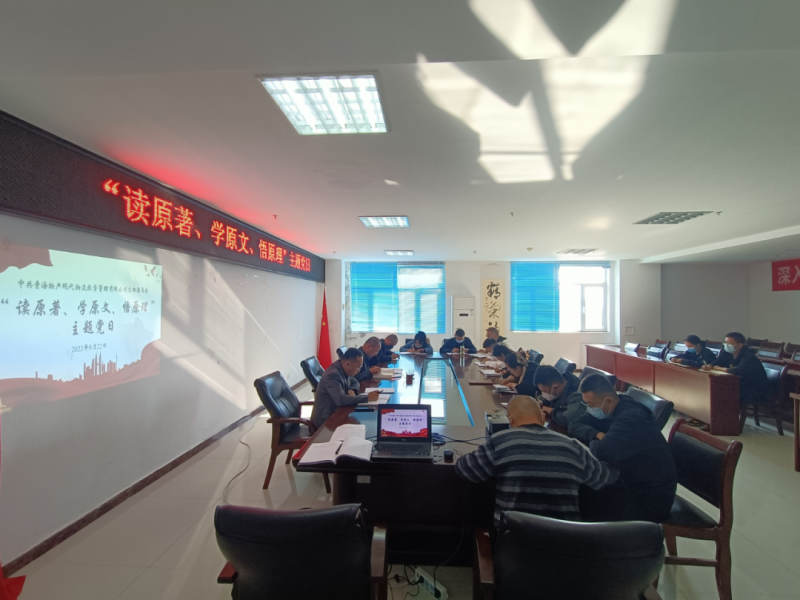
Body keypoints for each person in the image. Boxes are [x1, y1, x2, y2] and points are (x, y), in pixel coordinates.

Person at [455, 396, 618, 526]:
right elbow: (605, 478)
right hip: (566, 544)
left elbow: (465, 469)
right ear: (542, 418)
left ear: (510, 421)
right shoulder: (573, 446)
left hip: (514, 543)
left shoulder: (501, 441)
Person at [570, 375, 677, 523]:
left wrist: (594, 441)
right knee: (580, 486)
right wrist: (598, 434)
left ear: (608, 400)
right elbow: (574, 423)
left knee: (581, 494)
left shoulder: (630, 418)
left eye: (591, 405)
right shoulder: (613, 407)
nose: (590, 409)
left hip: (649, 499)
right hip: (631, 482)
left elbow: (603, 451)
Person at [311, 348, 380, 428]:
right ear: (348, 364)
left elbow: (355, 382)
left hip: (338, 413)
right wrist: (367, 398)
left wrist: (352, 390)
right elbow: (341, 400)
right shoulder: (333, 375)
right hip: (326, 421)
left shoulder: (343, 367)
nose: (359, 370)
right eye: (358, 367)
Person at [702, 332, 768, 406]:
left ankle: (727, 412)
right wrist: (710, 365)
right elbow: (718, 361)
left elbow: (737, 370)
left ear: (739, 345)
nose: (725, 345)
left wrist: (720, 368)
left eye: (728, 343)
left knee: (722, 391)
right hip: (738, 383)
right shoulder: (727, 352)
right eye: (725, 342)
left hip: (753, 388)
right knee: (714, 388)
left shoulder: (749, 355)